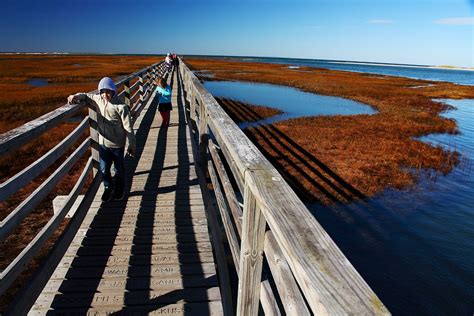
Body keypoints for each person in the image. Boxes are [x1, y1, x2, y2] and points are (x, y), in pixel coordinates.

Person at [67, 77, 136, 202]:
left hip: (117, 144)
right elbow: (86, 96)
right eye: (103, 92)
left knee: (118, 169)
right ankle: (108, 188)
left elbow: (129, 128)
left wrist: (131, 144)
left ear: (114, 91)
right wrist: (75, 96)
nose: (105, 95)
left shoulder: (121, 107)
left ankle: (119, 189)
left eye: (108, 91)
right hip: (103, 143)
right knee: (104, 168)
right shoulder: (98, 99)